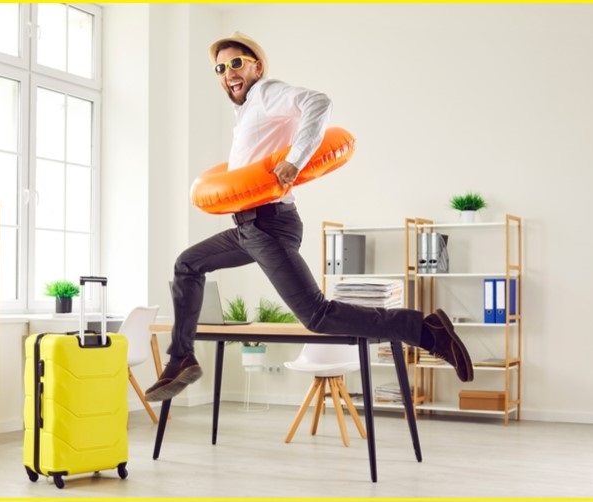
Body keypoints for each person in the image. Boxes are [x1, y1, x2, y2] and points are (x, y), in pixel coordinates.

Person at [144, 32, 474, 402]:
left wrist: (296, 159)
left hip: (267, 223)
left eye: (236, 63)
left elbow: (319, 102)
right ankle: (182, 357)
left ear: (256, 65)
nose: (227, 73)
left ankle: (425, 330)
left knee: (318, 316)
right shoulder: (247, 111)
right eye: (220, 68)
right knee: (187, 264)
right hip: (247, 227)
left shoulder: (267, 92)